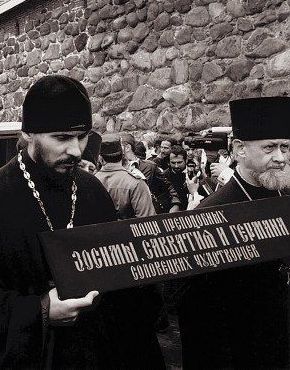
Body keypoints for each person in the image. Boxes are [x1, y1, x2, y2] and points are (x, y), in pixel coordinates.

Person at [0, 75, 165, 369]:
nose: (76, 150)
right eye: (61, 138)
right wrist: (40, 311)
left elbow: (119, 292)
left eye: (82, 136)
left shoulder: (93, 191)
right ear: (28, 134)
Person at [178, 96, 290, 370]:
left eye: (285, 147)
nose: (281, 158)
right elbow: (199, 319)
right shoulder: (211, 213)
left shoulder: (283, 194)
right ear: (240, 149)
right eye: (270, 147)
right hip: (243, 350)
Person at [95, 134, 155, 219]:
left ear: (100, 159)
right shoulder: (136, 183)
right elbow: (147, 220)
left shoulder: (89, 181)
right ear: (123, 155)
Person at [120, 133, 181, 214]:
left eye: (118, 146)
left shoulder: (149, 166)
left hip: (151, 214)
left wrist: (175, 204)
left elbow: (168, 187)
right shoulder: (116, 169)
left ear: (127, 147)